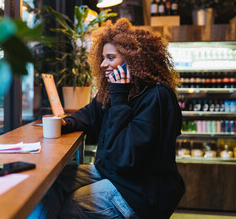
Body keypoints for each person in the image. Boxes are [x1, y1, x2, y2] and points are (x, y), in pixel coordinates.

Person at [28, 18, 185, 219]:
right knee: (49, 184)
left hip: (140, 191)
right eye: (103, 58)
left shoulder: (157, 96)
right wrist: (67, 122)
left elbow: (125, 157)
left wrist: (119, 96)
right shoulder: (117, 91)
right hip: (113, 174)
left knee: (73, 204)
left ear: (133, 60)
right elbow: (91, 113)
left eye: (110, 58)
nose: (103, 64)